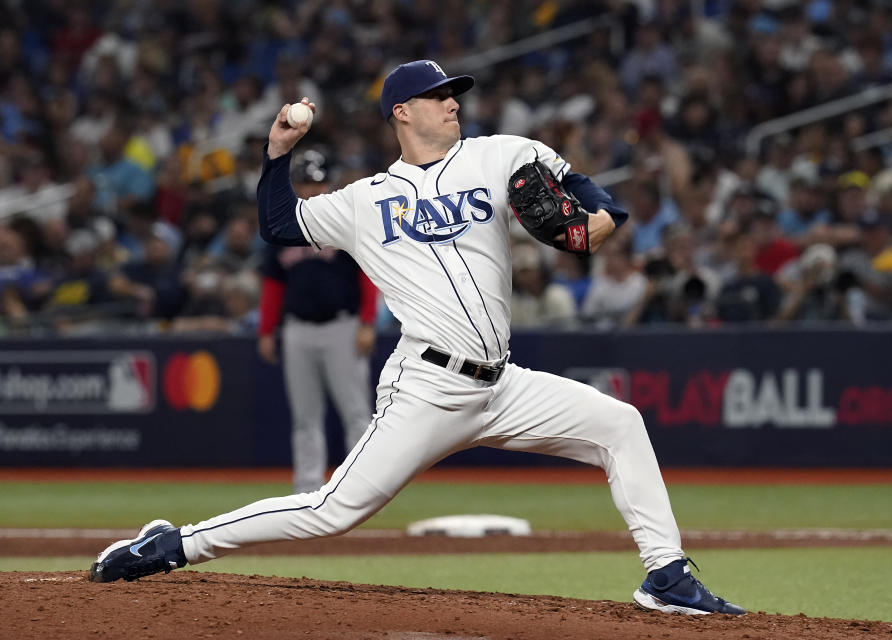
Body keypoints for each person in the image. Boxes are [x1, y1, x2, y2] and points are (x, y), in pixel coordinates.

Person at [89, 60, 745, 616]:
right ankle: (175, 544)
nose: (452, 103)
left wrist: (603, 216)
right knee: (332, 510)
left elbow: (573, 182)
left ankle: (667, 576)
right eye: (438, 96)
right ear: (402, 112)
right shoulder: (362, 200)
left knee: (620, 424)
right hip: (426, 386)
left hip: (503, 383)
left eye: (453, 94)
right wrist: (277, 153)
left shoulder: (501, 154)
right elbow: (279, 224)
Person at [257, 149, 378, 493]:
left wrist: (368, 322)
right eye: (305, 182)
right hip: (297, 330)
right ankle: (306, 488)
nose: (312, 189)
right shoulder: (282, 226)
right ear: (295, 185)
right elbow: (273, 284)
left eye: (318, 182)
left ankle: (360, 488)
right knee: (305, 416)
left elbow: (368, 276)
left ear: (329, 184)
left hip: (343, 326)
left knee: (355, 411)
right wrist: (267, 330)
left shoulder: (345, 221)